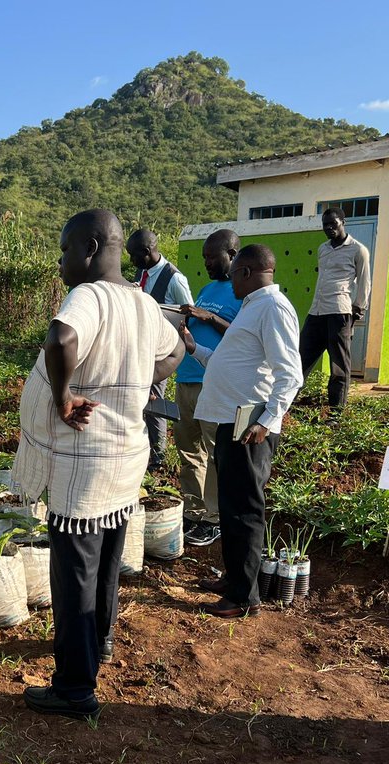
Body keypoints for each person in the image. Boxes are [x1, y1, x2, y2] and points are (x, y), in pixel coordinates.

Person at [13, 210, 184, 718]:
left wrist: (63, 397)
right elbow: (178, 350)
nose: (61, 261)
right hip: (126, 459)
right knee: (107, 564)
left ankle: (74, 688)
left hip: (85, 465)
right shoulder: (143, 302)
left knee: (74, 577)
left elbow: (60, 339)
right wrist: (140, 377)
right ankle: (100, 642)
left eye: (65, 250)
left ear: (89, 248)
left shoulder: (88, 296)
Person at [185, 244, 302, 619]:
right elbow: (229, 362)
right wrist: (194, 348)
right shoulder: (253, 307)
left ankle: (244, 598)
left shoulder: (273, 307)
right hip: (232, 421)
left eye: (234, 273)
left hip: (250, 426)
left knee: (245, 510)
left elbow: (290, 374)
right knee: (231, 507)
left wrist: (266, 422)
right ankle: (234, 579)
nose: (230, 281)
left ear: (247, 272)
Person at [176, 229, 241, 548]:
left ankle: (215, 518)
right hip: (185, 379)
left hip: (213, 384)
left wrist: (210, 317)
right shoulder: (205, 289)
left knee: (216, 453)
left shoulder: (242, 292)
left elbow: (243, 337)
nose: (207, 263)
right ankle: (193, 511)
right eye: (204, 257)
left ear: (232, 254)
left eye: (212, 257)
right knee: (189, 450)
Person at [126, 228, 193, 471]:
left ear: (147, 251)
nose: (131, 260)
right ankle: (143, 449)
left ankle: (158, 457)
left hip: (161, 350)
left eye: (134, 255)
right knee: (138, 396)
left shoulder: (174, 278)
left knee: (154, 399)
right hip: (140, 346)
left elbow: (188, 312)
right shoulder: (142, 272)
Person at [299, 208, 371, 408]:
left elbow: (365, 282)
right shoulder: (322, 249)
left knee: (339, 366)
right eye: (325, 225)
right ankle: (283, 406)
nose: (329, 228)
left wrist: (358, 308)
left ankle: (336, 413)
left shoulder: (358, 250)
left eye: (333, 223)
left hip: (339, 312)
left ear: (343, 222)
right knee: (299, 359)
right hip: (316, 311)